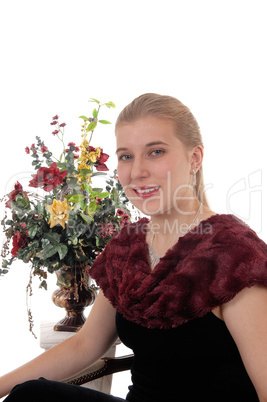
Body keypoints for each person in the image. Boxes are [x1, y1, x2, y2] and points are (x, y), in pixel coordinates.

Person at [1, 93, 267, 402]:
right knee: (32, 397)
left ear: (194, 158)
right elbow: (85, 345)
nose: (137, 171)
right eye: (126, 156)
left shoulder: (235, 255)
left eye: (155, 152)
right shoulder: (128, 246)